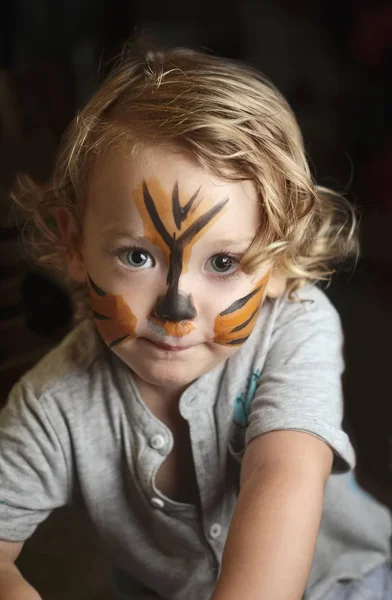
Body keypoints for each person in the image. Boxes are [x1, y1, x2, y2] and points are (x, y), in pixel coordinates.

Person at [0, 43, 391, 600]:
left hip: (345, 584)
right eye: (137, 256)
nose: (175, 308)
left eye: (224, 263)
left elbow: (284, 472)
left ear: (279, 264)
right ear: (73, 245)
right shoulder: (53, 405)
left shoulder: (295, 328)